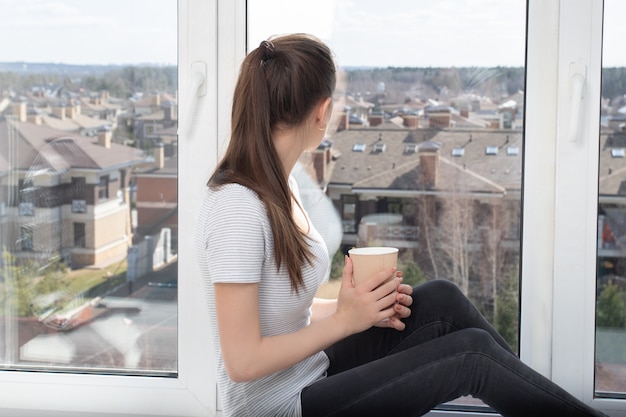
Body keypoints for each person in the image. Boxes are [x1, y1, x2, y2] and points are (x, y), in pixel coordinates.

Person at [195, 33, 609, 417]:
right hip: (280, 406)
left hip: (310, 372)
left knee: (442, 300)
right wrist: (344, 322)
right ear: (322, 111)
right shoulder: (238, 207)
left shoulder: (280, 183)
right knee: (472, 357)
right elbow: (243, 361)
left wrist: (356, 310)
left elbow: (283, 312)